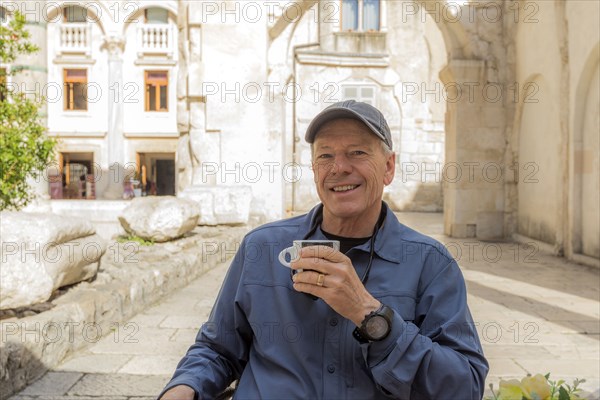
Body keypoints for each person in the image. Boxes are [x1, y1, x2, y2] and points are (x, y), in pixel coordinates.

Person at [158, 100, 489, 399]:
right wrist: (184, 387)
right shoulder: (262, 247)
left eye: (357, 153)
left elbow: (465, 386)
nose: (339, 167)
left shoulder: (430, 263)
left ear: (388, 167)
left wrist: (371, 316)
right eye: (326, 155)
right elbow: (218, 349)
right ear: (315, 169)